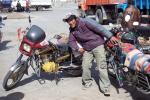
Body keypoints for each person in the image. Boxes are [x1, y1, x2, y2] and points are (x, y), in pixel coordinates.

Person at [63, 13, 118, 96]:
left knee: (101, 66)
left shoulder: (85, 21)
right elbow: (71, 41)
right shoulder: (72, 30)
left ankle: (105, 88)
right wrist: (78, 48)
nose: (70, 22)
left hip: (98, 45)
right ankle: (87, 82)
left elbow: (100, 28)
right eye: (68, 21)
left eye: (71, 20)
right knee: (85, 65)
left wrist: (110, 36)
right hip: (87, 48)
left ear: (75, 18)